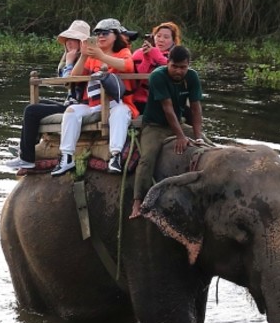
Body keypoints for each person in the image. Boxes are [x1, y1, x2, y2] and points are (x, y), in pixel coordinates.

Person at [4, 19, 90, 172]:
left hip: (78, 107)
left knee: (31, 111)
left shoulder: (86, 60)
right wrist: (68, 60)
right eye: (68, 40)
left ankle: (27, 157)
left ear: (82, 43)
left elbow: (68, 82)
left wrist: (70, 62)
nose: (69, 43)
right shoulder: (70, 58)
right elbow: (63, 78)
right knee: (36, 104)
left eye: (73, 40)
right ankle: (27, 148)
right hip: (69, 104)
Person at [55, 17, 135, 176]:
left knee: (120, 113)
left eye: (105, 33)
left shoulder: (123, 52)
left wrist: (102, 56)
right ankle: (67, 156)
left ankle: (115, 155)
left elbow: (128, 66)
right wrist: (84, 55)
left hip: (116, 102)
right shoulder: (91, 56)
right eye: (97, 33)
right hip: (93, 104)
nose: (101, 36)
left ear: (116, 35)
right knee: (71, 111)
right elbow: (74, 77)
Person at [132, 44, 205, 209]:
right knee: (147, 158)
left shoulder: (192, 77)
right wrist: (180, 136)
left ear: (188, 65)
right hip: (155, 125)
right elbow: (168, 108)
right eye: (174, 67)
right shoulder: (158, 76)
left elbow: (195, 107)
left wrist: (198, 136)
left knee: (207, 145)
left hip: (177, 123)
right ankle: (138, 200)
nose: (179, 71)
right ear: (167, 63)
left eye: (183, 67)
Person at [128, 21, 180, 116]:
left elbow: (176, 70)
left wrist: (156, 54)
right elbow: (137, 77)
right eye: (158, 36)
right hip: (141, 100)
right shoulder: (139, 53)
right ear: (153, 37)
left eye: (166, 37)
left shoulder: (176, 55)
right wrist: (147, 58)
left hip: (166, 99)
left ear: (173, 41)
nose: (161, 40)